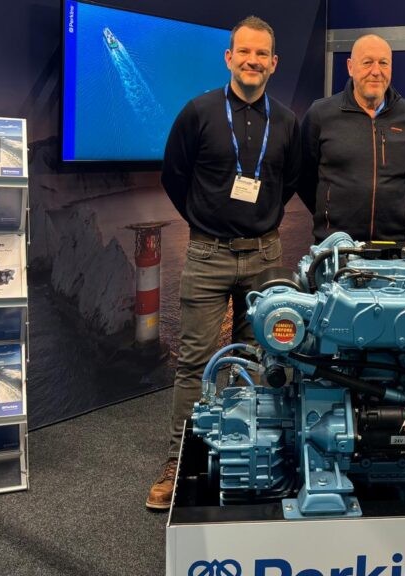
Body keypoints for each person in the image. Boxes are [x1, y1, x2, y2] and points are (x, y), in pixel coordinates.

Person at [148, 16, 300, 510]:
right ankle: (180, 459)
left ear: (273, 64)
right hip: (207, 253)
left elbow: (291, 178)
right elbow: (174, 174)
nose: (252, 61)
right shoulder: (199, 112)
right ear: (229, 57)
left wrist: (264, 217)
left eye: (262, 55)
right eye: (244, 52)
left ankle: (251, 453)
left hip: (266, 255)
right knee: (193, 363)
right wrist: (202, 218)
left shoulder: (289, 122)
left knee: (255, 359)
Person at [299, 34, 405, 242]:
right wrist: (329, 210)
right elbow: (304, 177)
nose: (376, 71)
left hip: (393, 245)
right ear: (350, 67)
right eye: (367, 63)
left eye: (383, 63)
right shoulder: (321, 113)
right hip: (335, 245)